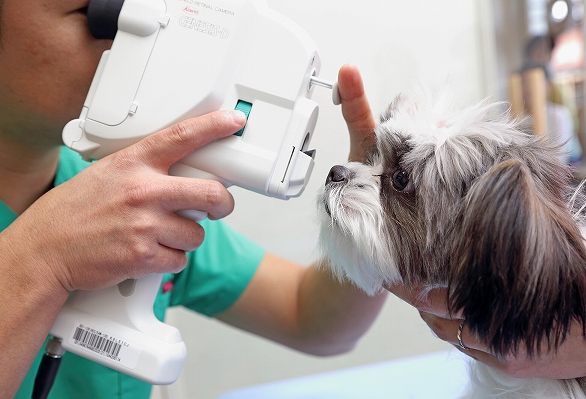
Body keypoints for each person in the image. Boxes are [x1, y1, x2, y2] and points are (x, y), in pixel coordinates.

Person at [0, 2, 385, 398]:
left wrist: (379, 207)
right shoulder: (120, 196)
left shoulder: (124, 192)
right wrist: (42, 258)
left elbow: (312, 320)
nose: (128, 28)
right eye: (92, 15)